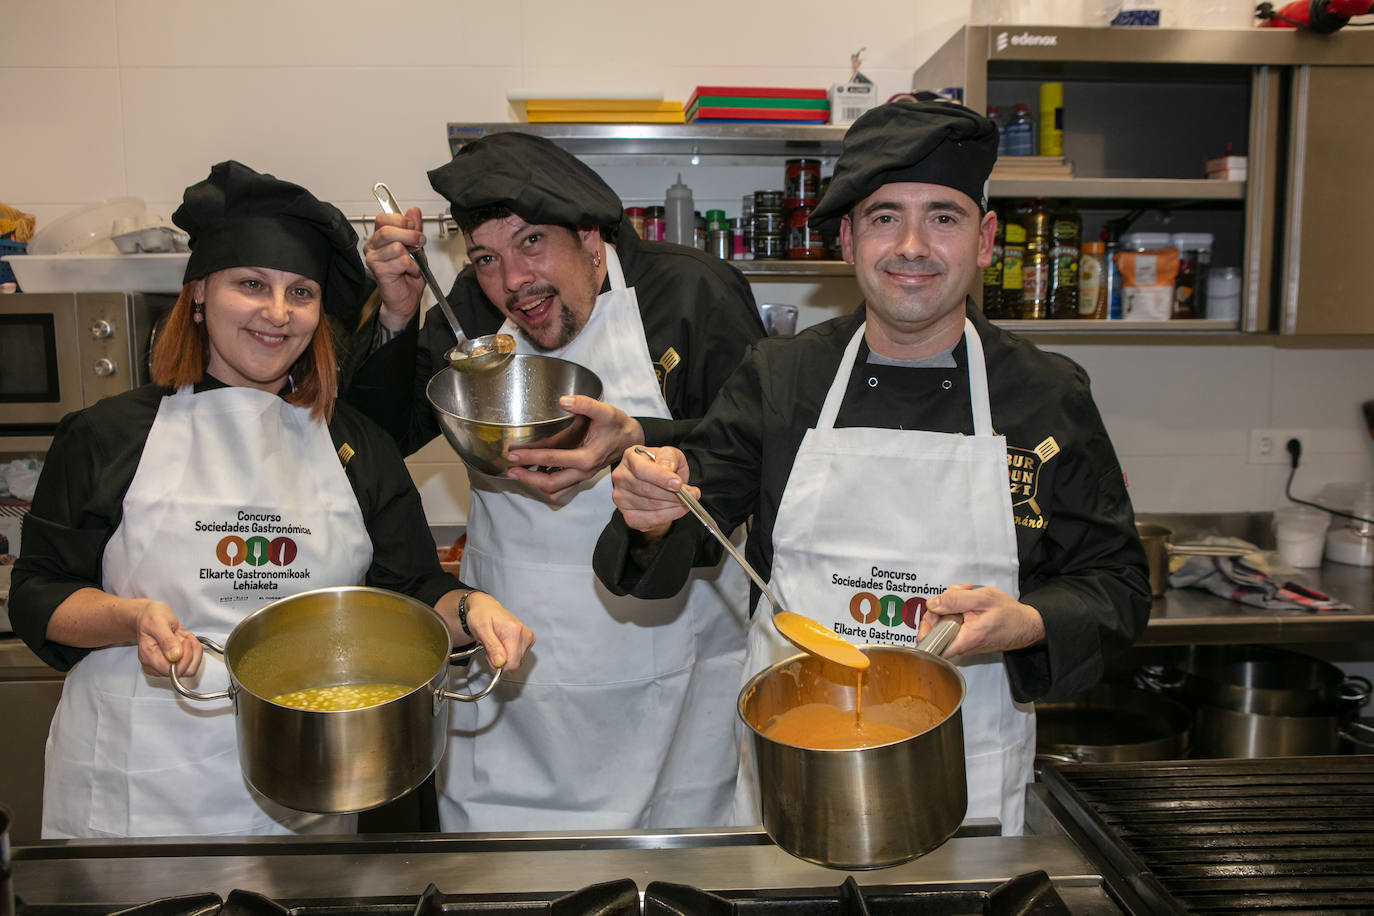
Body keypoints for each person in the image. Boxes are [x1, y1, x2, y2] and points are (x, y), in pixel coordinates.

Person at [595, 100, 1152, 835]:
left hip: (962, 779)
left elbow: (1117, 586)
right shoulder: (782, 377)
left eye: (944, 217)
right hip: (793, 773)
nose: (913, 245)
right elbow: (681, 532)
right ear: (849, 239)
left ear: (985, 240)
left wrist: (1029, 621)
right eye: (885, 217)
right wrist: (649, 513)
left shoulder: (1046, 395)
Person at [9, 161, 534, 839]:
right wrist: (126, 617)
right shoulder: (108, 435)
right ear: (198, 294)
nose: (277, 314)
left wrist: (472, 607)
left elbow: (413, 588)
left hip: (308, 792)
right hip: (138, 789)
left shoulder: (355, 445)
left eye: (301, 293)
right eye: (251, 285)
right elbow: (38, 594)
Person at [342, 133, 767, 831]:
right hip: (517, 673)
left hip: (669, 680)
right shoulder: (474, 314)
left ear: (592, 238)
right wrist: (392, 313)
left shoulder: (689, 293)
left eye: (532, 242)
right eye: (486, 259)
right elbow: (379, 438)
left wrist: (642, 439)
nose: (513, 283)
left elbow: (752, 454)